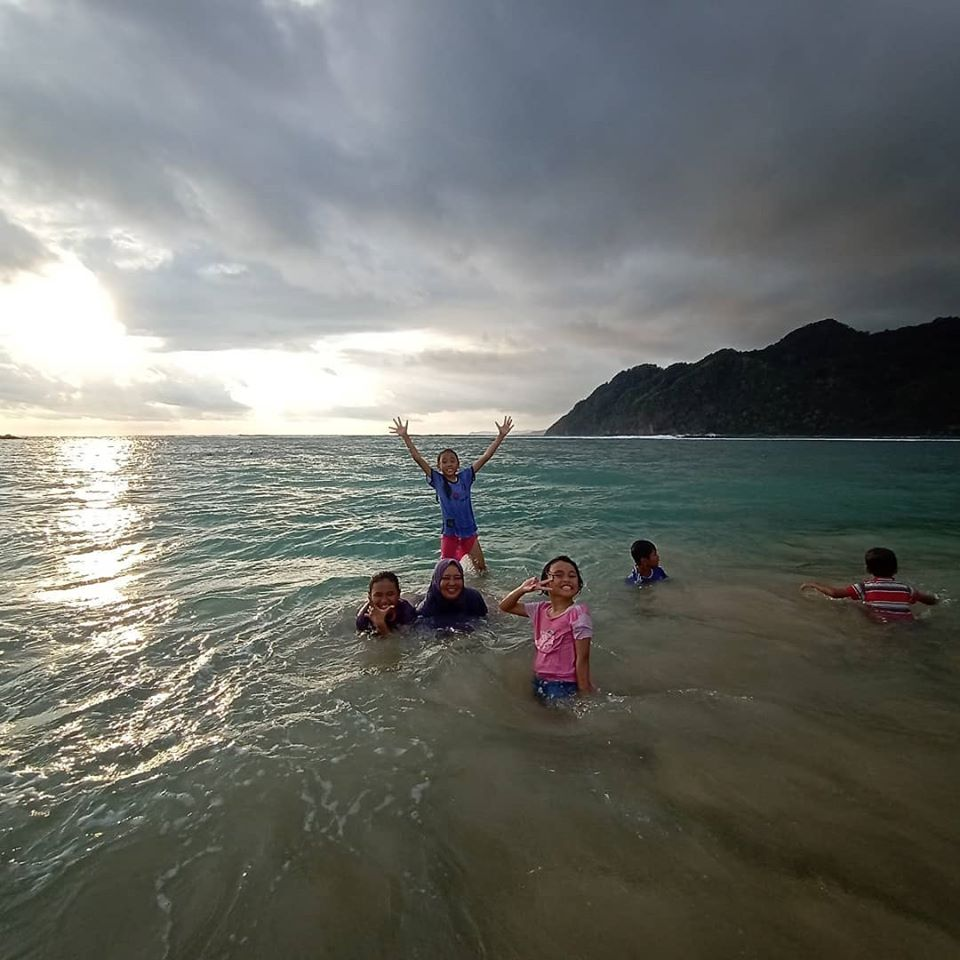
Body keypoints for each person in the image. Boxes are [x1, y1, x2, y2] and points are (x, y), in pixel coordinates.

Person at [390, 415, 513, 572]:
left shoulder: (465, 478)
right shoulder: (438, 481)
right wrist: (405, 437)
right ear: (439, 466)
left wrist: (501, 436)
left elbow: (486, 456)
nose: (449, 464)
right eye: (445, 461)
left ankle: (481, 593)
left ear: (458, 464)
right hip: (450, 534)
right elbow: (418, 458)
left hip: (469, 532)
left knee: (482, 570)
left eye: (452, 460)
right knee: (444, 570)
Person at [500, 555, 594, 702]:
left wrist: (584, 692)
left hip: (563, 684)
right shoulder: (540, 609)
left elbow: (583, 658)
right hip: (539, 678)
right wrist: (522, 589)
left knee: (557, 722)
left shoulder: (578, 613)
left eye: (572, 575)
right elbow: (505, 607)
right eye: (558, 575)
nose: (567, 579)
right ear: (546, 582)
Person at [801, 547, 938, 622]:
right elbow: (929, 600)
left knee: (857, 606)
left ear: (868, 569)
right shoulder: (906, 589)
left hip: (880, 622)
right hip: (907, 622)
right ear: (896, 569)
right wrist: (936, 599)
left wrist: (814, 584)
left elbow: (835, 594)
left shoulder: (865, 587)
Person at [416, 558, 488, 627]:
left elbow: (486, 622)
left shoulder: (473, 598)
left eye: (457, 578)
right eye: (446, 578)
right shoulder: (426, 609)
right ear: (437, 581)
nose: (452, 583)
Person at [356, 571, 418, 637]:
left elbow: (403, 641)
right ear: (370, 597)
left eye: (390, 594)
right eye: (378, 595)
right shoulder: (363, 619)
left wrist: (381, 625)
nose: (384, 601)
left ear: (398, 594)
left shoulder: (406, 610)